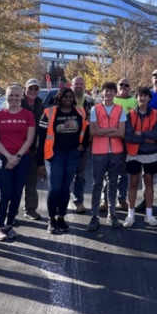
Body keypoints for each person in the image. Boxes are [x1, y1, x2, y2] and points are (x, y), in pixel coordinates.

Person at [37, 87, 88, 234]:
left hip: (72, 154)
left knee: (65, 188)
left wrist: (83, 145)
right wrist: (40, 162)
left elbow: (86, 130)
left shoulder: (80, 112)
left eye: (71, 97)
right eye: (65, 97)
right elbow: (40, 138)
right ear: (59, 98)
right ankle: (51, 219)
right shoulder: (49, 113)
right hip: (55, 155)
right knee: (55, 188)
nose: (68, 99)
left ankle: (61, 217)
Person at [0, 84, 36, 242]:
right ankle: (0, 226)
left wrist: (16, 156)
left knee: (17, 193)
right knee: (6, 193)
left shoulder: (28, 115)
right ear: (6, 96)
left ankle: (9, 225)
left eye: (17, 95)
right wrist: (9, 157)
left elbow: (30, 139)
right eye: (11, 95)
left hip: (22, 158)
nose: (14, 98)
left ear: (21, 97)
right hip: (3, 158)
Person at [87, 82, 127, 231]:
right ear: (102, 93)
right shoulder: (95, 109)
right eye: (106, 91)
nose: (109, 94)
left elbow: (121, 133)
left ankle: (112, 214)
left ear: (115, 93)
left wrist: (102, 130)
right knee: (97, 184)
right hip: (99, 151)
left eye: (111, 91)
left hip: (116, 151)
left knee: (113, 183)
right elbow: (92, 131)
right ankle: (94, 216)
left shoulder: (120, 109)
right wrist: (112, 129)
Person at [123, 86, 157, 227]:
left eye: (146, 95)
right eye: (140, 95)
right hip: (134, 153)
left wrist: (141, 134)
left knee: (149, 183)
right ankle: (130, 215)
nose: (143, 98)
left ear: (149, 98)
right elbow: (128, 136)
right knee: (133, 184)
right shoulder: (130, 115)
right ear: (137, 97)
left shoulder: (156, 114)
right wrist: (146, 138)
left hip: (150, 154)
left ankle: (149, 215)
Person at [99, 77, 137, 212]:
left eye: (127, 85)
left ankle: (122, 199)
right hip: (110, 141)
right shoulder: (111, 100)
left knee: (123, 173)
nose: (124, 87)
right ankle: (105, 199)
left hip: (127, 142)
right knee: (108, 173)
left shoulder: (134, 102)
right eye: (121, 84)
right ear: (117, 87)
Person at [21, 78, 46, 221]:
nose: (33, 91)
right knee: (14, 183)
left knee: (31, 182)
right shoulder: (18, 103)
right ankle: (8, 211)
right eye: (30, 88)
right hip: (17, 148)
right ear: (25, 89)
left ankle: (30, 209)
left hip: (34, 149)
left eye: (36, 89)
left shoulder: (41, 105)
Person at [69, 75, 94, 214]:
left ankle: (79, 201)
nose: (78, 86)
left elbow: (92, 124)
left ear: (84, 86)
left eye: (81, 84)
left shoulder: (90, 102)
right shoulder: (64, 100)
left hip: (83, 145)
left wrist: (85, 143)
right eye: (76, 83)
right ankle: (61, 202)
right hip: (65, 145)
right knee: (65, 175)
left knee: (80, 175)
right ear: (71, 85)